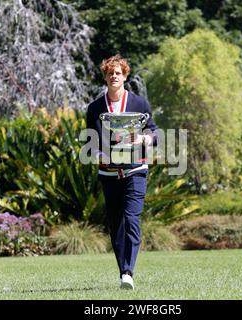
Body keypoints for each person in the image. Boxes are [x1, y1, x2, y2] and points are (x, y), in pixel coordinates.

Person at [85, 55, 158, 290]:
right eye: (110, 73)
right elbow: (90, 140)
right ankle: (122, 273)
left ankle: (128, 272)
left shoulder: (139, 104)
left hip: (136, 170)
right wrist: (97, 154)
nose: (114, 76)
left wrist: (145, 138)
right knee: (116, 224)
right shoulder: (95, 108)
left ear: (125, 76)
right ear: (105, 77)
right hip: (108, 174)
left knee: (131, 219)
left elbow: (154, 131)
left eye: (118, 72)